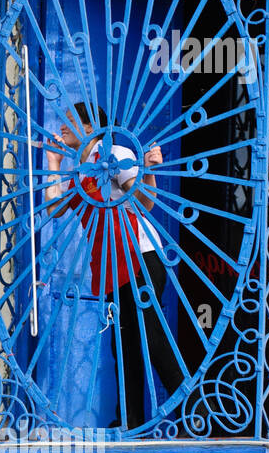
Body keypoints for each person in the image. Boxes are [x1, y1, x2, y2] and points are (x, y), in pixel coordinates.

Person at [43, 103, 184, 428]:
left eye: (71, 120)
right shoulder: (79, 171)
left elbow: (145, 201)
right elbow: (54, 208)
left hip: (139, 256)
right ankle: (131, 422)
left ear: (92, 125)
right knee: (124, 346)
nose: (63, 126)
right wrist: (53, 161)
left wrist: (149, 170)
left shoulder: (113, 153)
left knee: (151, 337)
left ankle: (194, 412)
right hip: (110, 266)